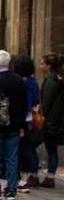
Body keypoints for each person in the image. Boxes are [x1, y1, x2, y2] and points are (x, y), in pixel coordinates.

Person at [0, 50, 27, 200]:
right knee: (12, 158)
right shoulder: (19, 81)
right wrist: (21, 125)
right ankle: (11, 190)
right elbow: (23, 105)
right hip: (14, 126)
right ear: (9, 64)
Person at [11, 54, 41, 192]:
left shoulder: (24, 83)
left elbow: (27, 103)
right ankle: (30, 176)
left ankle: (25, 179)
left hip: (25, 120)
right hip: (30, 120)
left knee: (24, 150)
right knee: (29, 150)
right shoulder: (33, 82)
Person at [39, 53, 64, 188]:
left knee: (51, 149)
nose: (40, 66)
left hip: (50, 121)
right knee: (51, 149)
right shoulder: (57, 80)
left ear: (49, 66)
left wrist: (41, 113)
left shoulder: (50, 81)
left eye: (43, 64)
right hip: (55, 120)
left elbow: (46, 103)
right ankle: (50, 175)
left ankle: (50, 176)